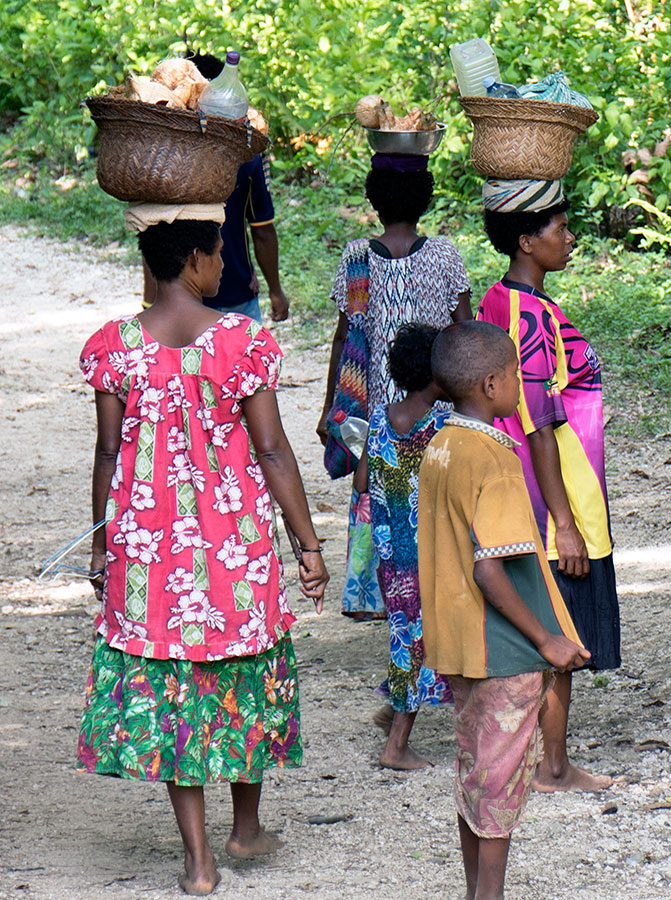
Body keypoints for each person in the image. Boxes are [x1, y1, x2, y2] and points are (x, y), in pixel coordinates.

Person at [77, 207, 328, 896]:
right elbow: (273, 450)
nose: (224, 266)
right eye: (219, 254)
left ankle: (199, 861)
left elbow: (106, 454)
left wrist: (102, 551)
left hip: (149, 555)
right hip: (234, 552)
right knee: (247, 677)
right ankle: (245, 828)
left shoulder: (113, 346)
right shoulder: (242, 342)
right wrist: (307, 545)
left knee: (172, 694)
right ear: (193, 259)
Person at [418, 320, 590, 900]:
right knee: (498, 782)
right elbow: (491, 567)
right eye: (516, 374)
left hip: (459, 641)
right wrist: (547, 640)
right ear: (492, 384)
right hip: (504, 649)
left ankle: (474, 893)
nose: (520, 384)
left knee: (476, 772)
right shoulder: (493, 459)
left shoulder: (440, 443)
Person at [477, 179, 620, 793]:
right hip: (552, 492)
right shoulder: (527, 315)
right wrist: (563, 521)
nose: (570, 239)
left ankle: (545, 758)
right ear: (527, 241)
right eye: (560, 230)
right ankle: (552, 766)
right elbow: (536, 424)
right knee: (560, 625)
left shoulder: (504, 301)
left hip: (540, 487)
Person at [317, 154, 472, 619]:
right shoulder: (445, 255)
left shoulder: (358, 258)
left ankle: (384, 593)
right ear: (425, 199)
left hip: (381, 413)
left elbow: (347, 337)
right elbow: (465, 331)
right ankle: (440, 591)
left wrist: (330, 407)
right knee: (438, 500)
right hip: (438, 407)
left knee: (382, 499)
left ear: (373, 200)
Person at [353, 324, 453, 769]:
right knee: (419, 641)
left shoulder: (379, 418)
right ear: (438, 374)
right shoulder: (442, 426)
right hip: (430, 554)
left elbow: (361, 485)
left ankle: (394, 712)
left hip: (390, 554)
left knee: (404, 635)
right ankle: (396, 745)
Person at [143, 52, 289, 323]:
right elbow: (263, 231)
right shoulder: (244, 156)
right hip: (236, 293)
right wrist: (276, 291)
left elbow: (152, 233)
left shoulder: (163, 158)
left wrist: (149, 301)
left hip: (178, 302)